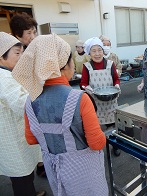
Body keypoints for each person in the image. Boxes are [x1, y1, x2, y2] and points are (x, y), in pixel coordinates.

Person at [12, 34, 109, 196]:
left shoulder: (30, 100)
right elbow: (97, 143)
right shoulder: (80, 98)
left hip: (55, 171)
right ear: (63, 67)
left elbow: (31, 138)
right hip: (85, 173)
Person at [0, 32, 45, 196]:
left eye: (22, 52)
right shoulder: (3, 78)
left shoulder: (8, 74)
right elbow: (23, 104)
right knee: (22, 179)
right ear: (1, 56)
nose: (21, 57)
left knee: (24, 176)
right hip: (13, 139)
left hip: (15, 135)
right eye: (17, 53)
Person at [80, 37, 121, 156]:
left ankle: (115, 145)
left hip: (111, 101)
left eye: (99, 50)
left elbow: (116, 79)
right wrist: (86, 88)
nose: (97, 54)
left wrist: (117, 85)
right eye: (94, 51)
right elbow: (83, 83)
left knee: (113, 127)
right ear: (89, 53)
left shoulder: (110, 64)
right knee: (95, 128)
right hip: (95, 102)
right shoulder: (86, 66)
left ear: (103, 51)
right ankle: (97, 149)